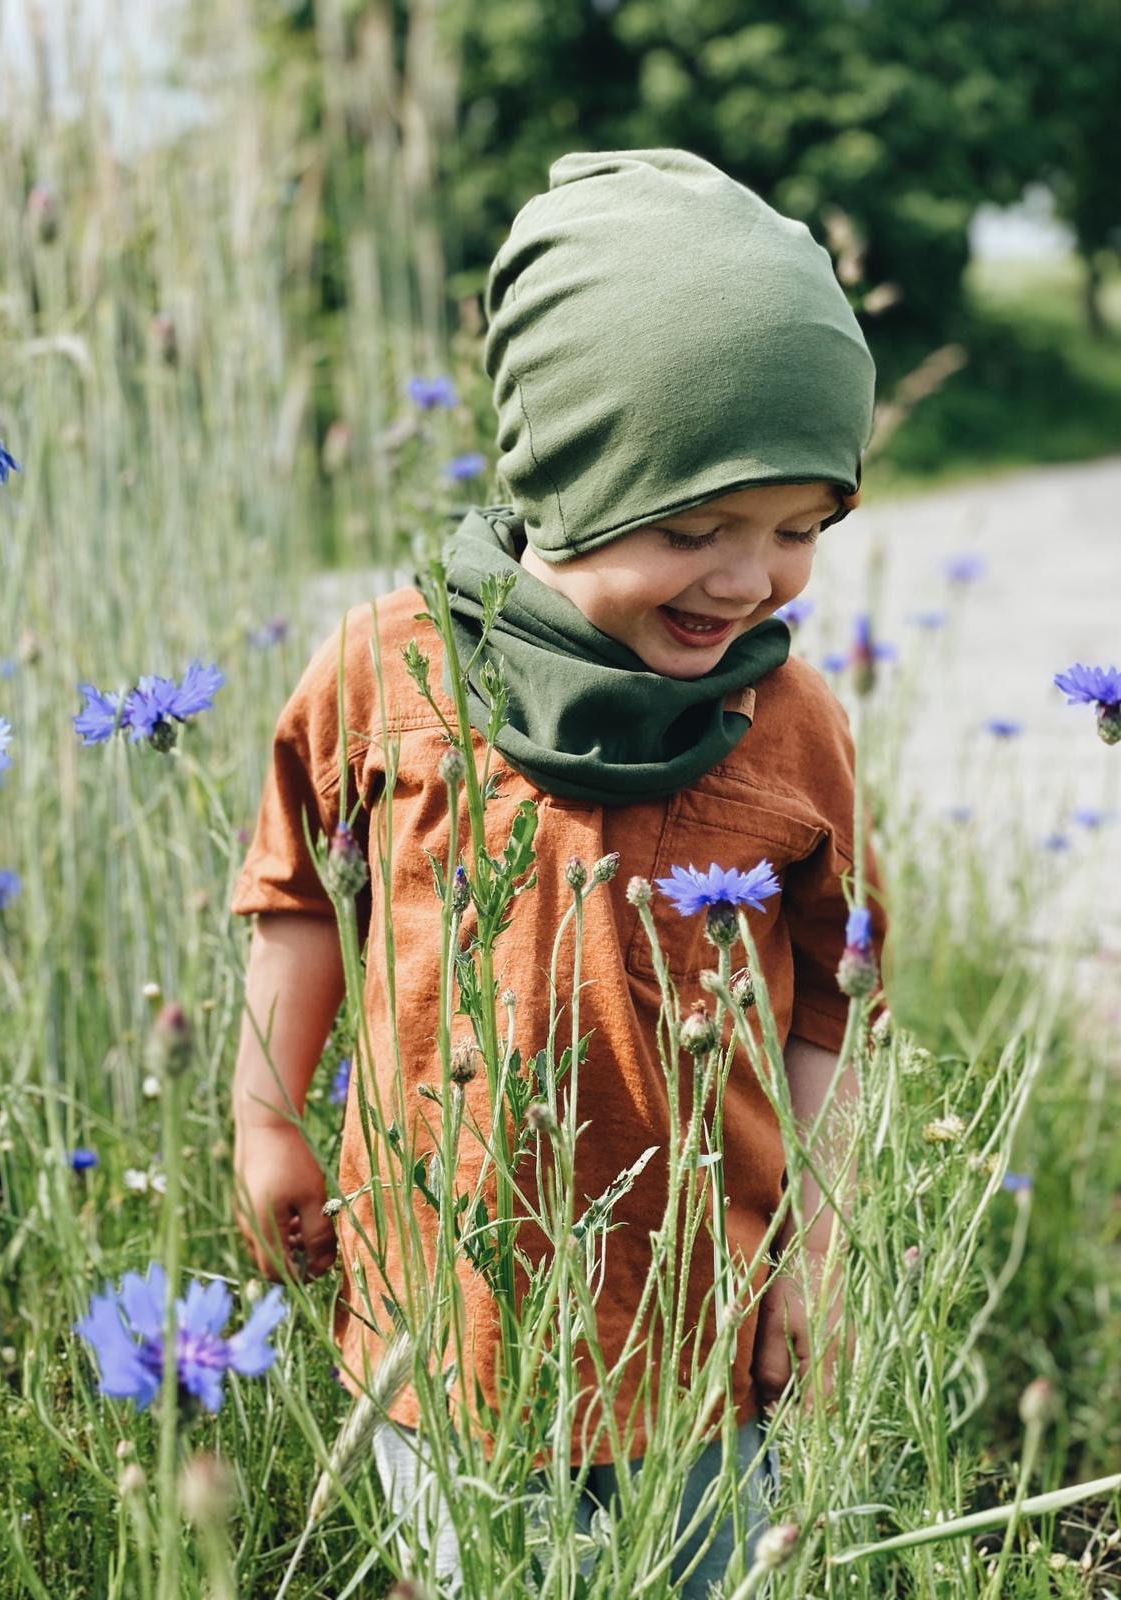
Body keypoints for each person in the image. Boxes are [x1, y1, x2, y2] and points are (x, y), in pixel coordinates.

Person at [230, 149, 885, 1595]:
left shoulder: (792, 728)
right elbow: (294, 901)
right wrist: (269, 1115)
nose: (746, 579)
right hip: (444, 1327)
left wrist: (813, 1246)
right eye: (693, 528)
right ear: (564, 484)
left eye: (799, 529)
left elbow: (834, 1008)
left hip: (695, 1344)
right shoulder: (390, 677)